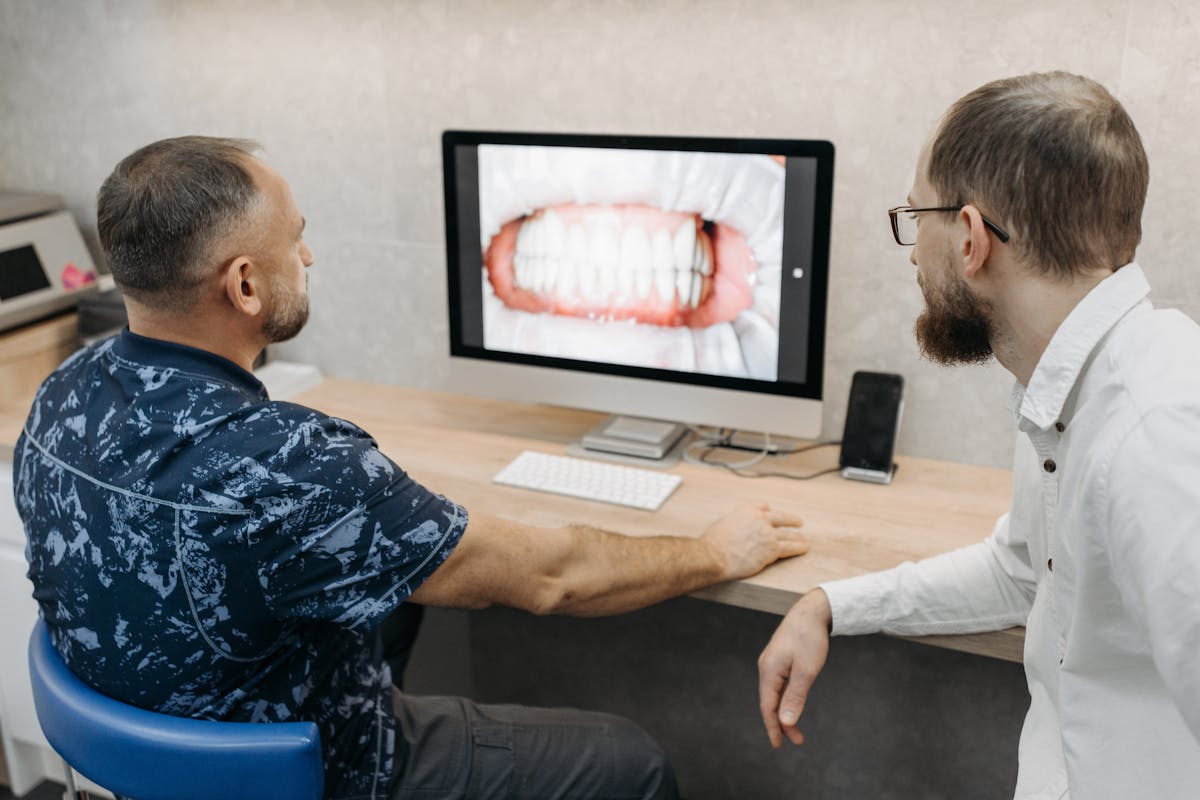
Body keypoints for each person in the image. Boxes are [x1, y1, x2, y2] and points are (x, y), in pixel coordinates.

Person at [13, 136, 809, 800]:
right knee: (632, 760)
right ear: (246, 284)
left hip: (155, 741)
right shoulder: (293, 466)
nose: (309, 252)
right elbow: (550, 579)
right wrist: (713, 551)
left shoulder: (59, 396)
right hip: (316, 768)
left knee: (407, 594)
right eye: (295, 237)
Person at [758, 71, 1200, 798]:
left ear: (968, 237)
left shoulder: (1152, 436)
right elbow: (1026, 574)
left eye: (914, 218)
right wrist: (831, 603)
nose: (910, 254)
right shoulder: (1065, 391)